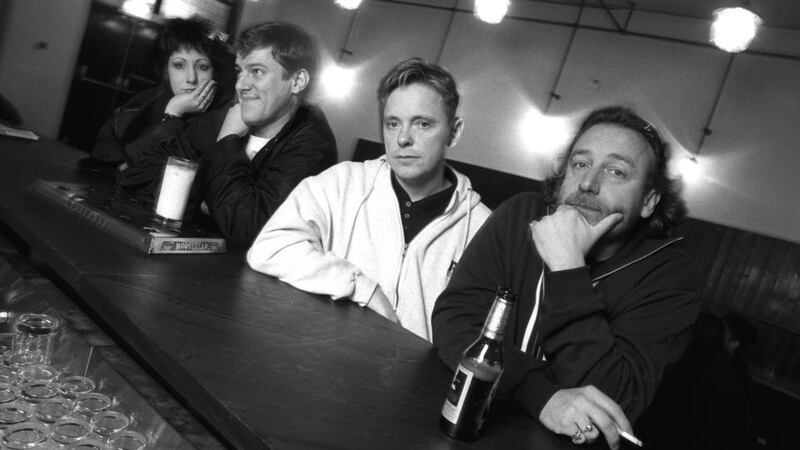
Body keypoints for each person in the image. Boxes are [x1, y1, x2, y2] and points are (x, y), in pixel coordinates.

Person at [432, 106, 699, 449]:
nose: (588, 183)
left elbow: (616, 402)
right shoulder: (521, 215)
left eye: (616, 171)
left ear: (648, 201)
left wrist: (567, 266)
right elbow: (454, 321)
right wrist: (539, 394)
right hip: (470, 426)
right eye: (580, 164)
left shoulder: (670, 274)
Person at [247, 58, 491, 341]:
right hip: (326, 365)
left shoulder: (484, 227)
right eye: (392, 123)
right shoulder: (342, 183)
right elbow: (269, 248)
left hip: (421, 381)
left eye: (422, 124)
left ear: (454, 131)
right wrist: (362, 288)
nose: (402, 139)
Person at [120, 22, 338, 247]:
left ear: (297, 81)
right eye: (239, 71)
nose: (241, 85)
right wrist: (210, 203)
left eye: (256, 71)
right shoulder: (227, 115)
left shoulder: (312, 144)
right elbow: (136, 177)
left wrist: (227, 140)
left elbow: (249, 229)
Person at [92, 17, 234, 170]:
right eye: (179, 65)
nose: (191, 78)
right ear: (166, 69)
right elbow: (105, 146)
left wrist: (173, 114)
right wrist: (123, 165)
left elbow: (178, 172)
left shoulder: (227, 115)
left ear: (214, 72)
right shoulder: (150, 97)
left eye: (203, 67)